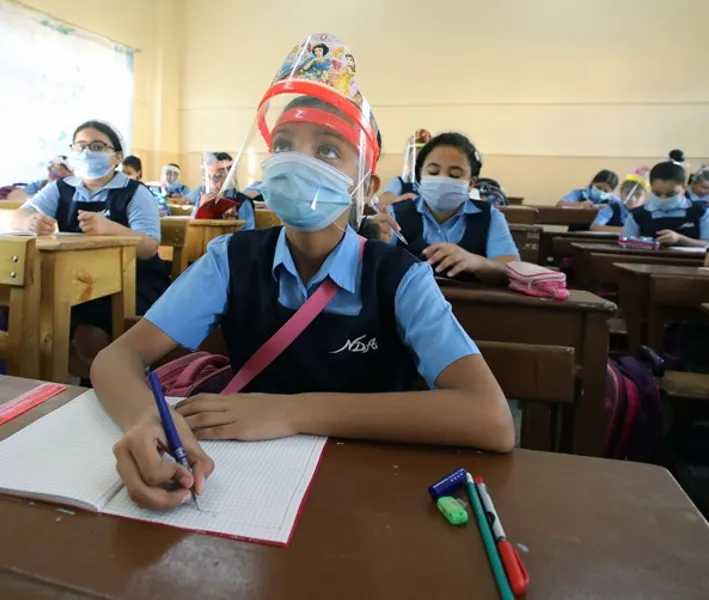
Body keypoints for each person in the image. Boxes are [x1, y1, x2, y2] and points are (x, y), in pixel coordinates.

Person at [90, 34, 514, 510]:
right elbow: (114, 360)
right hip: (242, 486)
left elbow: (492, 418)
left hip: (365, 492)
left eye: (329, 150)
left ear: (366, 185)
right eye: (286, 145)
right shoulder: (231, 259)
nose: (297, 161)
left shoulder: (400, 278)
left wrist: (292, 411)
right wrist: (145, 420)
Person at [11, 120, 170, 381]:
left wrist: (110, 227)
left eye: (97, 146)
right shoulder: (62, 188)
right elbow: (21, 215)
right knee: (30, 320)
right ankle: (55, 385)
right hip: (71, 280)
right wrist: (30, 222)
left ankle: (114, 387)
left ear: (117, 156)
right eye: (81, 146)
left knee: (88, 336)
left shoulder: (134, 192)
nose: (87, 153)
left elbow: (149, 246)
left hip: (133, 280)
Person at [386, 132, 519, 284]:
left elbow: (512, 270)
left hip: (472, 306)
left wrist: (476, 262)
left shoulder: (489, 217)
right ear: (421, 174)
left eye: (454, 175)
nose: (442, 179)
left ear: (470, 183)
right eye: (433, 172)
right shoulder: (396, 214)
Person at [621, 160, 709, 247]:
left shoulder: (702, 213)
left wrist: (681, 240)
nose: (663, 199)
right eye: (657, 194)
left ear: (684, 187)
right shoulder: (636, 216)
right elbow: (627, 244)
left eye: (671, 194)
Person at [189, 152, 256, 230]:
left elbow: (248, 235)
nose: (212, 182)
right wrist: (202, 210)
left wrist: (233, 225)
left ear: (230, 178)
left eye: (217, 176)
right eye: (209, 177)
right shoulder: (202, 200)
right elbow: (192, 229)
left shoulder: (242, 203)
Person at [378, 128, 431, 206]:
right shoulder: (400, 182)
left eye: (424, 157)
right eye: (415, 157)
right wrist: (403, 198)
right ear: (408, 160)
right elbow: (381, 203)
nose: (419, 162)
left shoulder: (437, 183)